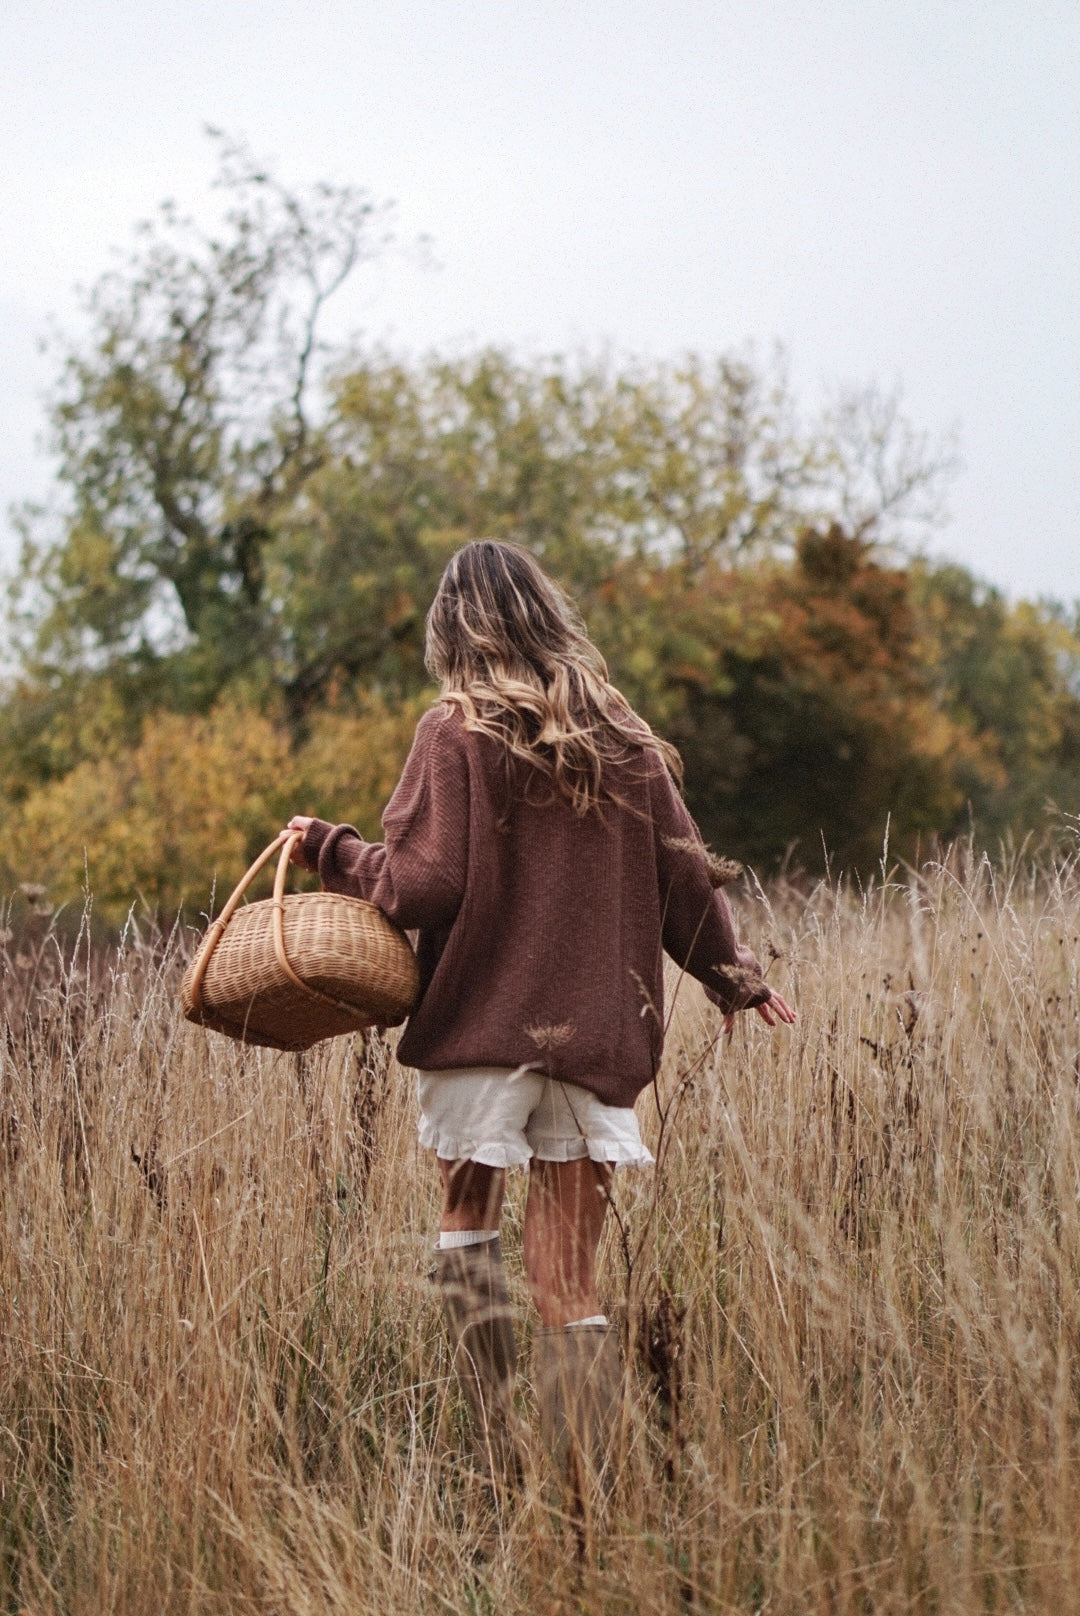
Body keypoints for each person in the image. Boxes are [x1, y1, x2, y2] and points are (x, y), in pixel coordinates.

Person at [284, 540, 795, 1512]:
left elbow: (421, 883)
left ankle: (497, 1453)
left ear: (451, 630)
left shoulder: (457, 732)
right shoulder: (628, 742)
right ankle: (584, 1501)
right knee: (570, 1284)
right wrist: (736, 980)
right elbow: (686, 877)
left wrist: (330, 846)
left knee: (467, 1230)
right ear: (550, 615)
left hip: (481, 1032)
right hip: (596, 1041)